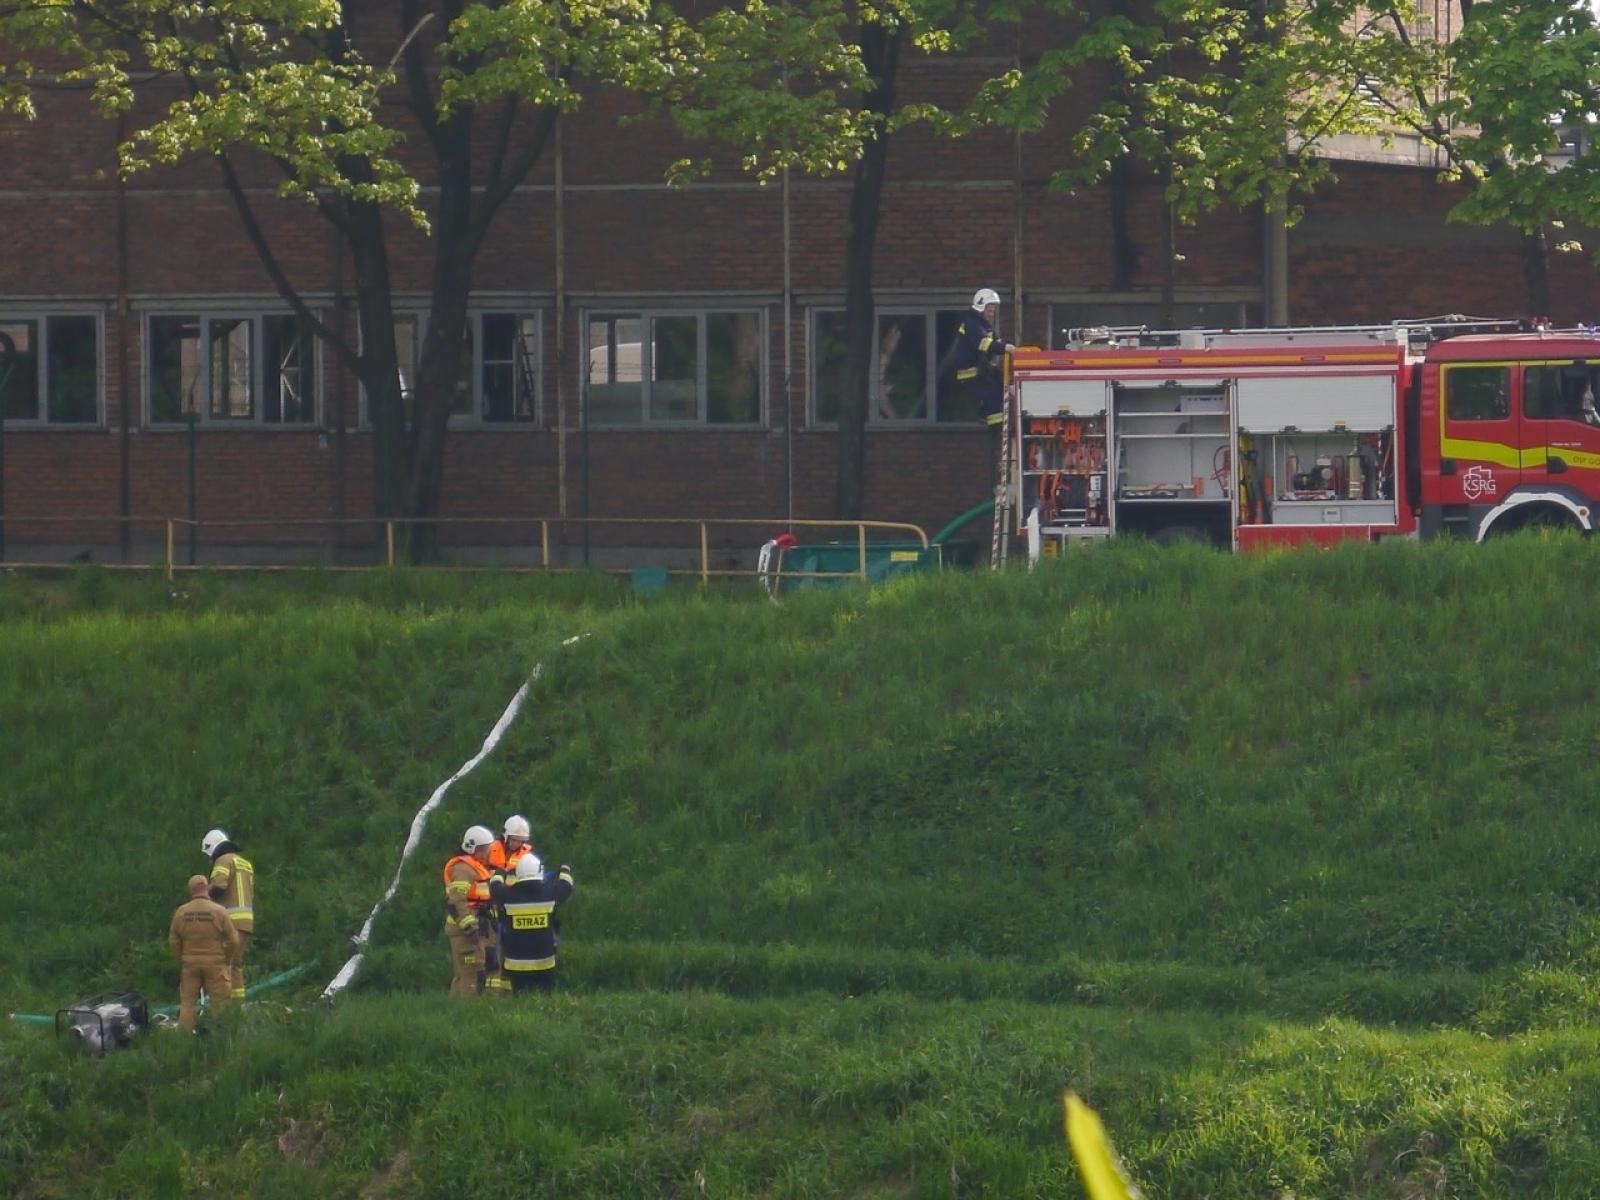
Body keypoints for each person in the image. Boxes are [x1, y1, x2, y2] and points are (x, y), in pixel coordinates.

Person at [951, 287, 1015, 490]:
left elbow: (993, 341)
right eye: (990, 307)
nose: (992, 311)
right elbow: (984, 344)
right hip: (971, 373)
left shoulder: (981, 323)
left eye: (994, 308)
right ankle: (996, 427)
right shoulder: (972, 322)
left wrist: (1003, 345)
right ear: (980, 305)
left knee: (998, 382)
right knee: (992, 396)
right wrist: (1005, 348)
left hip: (981, 369)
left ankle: (997, 410)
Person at [490, 854, 575, 994]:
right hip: (545, 964)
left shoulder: (507, 896)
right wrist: (565, 869)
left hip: (516, 966)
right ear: (539, 871)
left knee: (520, 999)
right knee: (546, 998)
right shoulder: (550, 894)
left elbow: (494, 886)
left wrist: (500, 873)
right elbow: (566, 886)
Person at [168, 874, 240, 1031]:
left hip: (190, 965)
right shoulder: (219, 911)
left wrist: (182, 959)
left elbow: (173, 940)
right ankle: (219, 1036)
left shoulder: (181, 912)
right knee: (220, 1003)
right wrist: (226, 959)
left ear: (190, 890)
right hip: (215, 964)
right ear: (206, 889)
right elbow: (233, 940)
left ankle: (184, 1039)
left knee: (187, 1004)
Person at [442, 824, 498, 997]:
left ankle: (462, 1007)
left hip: (478, 925)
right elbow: (456, 901)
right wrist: (469, 927)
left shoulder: (475, 867)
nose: (488, 853)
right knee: (469, 973)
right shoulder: (462, 869)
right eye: (486, 849)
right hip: (465, 930)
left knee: (476, 970)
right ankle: (464, 1007)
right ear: (475, 849)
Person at [201, 828, 254, 1001]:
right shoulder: (245, 863)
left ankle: (221, 1006)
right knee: (235, 965)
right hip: (246, 922)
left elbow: (219, 886)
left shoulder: (223, 861)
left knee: (221, 964)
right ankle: (237, 1006)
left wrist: (202, 896)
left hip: (230, 922)